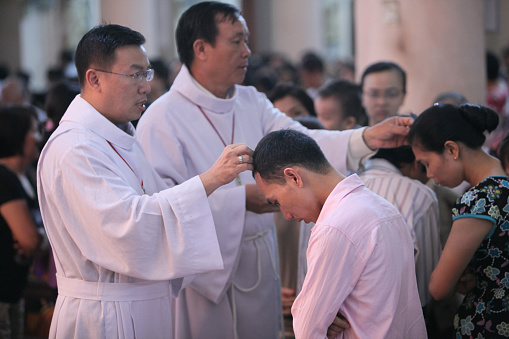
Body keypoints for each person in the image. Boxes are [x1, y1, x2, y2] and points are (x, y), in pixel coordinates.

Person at [136, 2, 413, 338]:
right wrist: (240, 201)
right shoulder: (161, 118)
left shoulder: (252, 101)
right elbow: (158, 210)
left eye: (247, 41)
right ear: (201, 48)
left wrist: (367, 137)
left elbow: (304, 145)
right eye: (237, 41)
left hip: (259, 258)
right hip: (203, 276)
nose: (247, 51)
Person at [37, 24, 253, 339]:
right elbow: (126, 228)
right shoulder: (75, 148)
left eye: (147, 74)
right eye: (134, 75)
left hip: (142, 306)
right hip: (105, 316)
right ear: (94, 78)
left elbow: (158, 203)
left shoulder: (120, 136)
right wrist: (211, 178)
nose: (145, 87)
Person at [252, 129, 426, 339]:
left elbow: (307, 330)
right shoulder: (385, 208)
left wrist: (318, 319)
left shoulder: (335, 227)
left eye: (277, 201)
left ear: (293, 177)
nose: (286, 215)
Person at [408, 103, 509, 338]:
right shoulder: (503, 186)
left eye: (426, 163)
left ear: (452, 149)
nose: (429, 174)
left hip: (488, 325)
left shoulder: (479, 201)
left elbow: (438, 288)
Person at [358, 145, 441, 310]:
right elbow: (426, 284)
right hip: (398, 317)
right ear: (416, 163)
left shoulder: (342, 184)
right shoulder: (420, 194)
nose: (431, 176)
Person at [0, 105, 43, 339]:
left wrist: (40, 238)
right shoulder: (4, 178)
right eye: (34, 130)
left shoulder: (25, 175)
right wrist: (43, 239)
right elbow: (29, 241)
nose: (39, 137)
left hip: (13, 294)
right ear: (16, 134)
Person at [360, 61, 406, 126]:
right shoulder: (350, 134)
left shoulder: (415, 135)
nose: (381, 102)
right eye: (374, 94)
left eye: (391, 94)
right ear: (362, 96)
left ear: (403, 96)